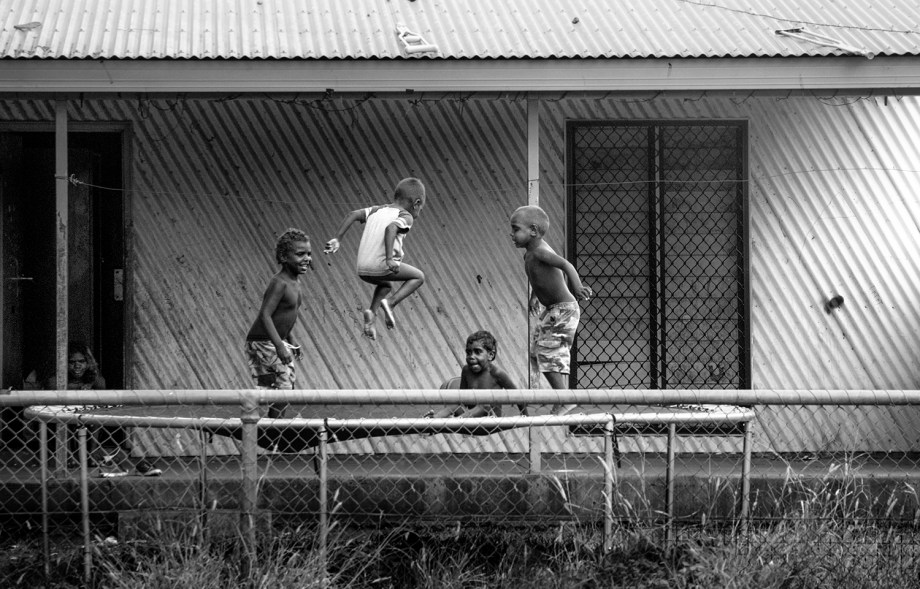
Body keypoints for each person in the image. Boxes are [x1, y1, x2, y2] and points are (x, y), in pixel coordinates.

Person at [510, 205, 593, 415]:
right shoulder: (529, 255)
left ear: (534, 231)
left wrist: (577, 286)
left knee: (549, 352)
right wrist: (533, 297)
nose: (511, 234)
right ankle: (562, 397)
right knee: (539, 352)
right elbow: (539, 279)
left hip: (564, 309)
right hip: (552, 309)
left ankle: (564, 399)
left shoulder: (540, 252)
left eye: (516, 229)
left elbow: (566, 265)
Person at [324, 178, 426, 340]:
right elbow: (391, 228)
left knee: (385, 284)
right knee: (418, 276)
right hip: (382, 266)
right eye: (421, 207)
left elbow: (353, 214)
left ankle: (371, 313)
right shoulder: (405, 215)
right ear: (417, 202)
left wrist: (338, 239)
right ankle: (391, 303)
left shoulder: (377, 209)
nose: (419, 212)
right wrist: (389, 258)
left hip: (362, 268)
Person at [245, 228, 311, 419]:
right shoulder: (279, 282)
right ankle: (275, 427)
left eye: (308, 254)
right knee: (283, 384)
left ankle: (271, 428)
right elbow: (265, 314)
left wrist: (291, 340)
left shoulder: (296, 283)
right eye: (300, 254)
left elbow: (286, 316)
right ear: (284, 257)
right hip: (263, 342)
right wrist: (279, 346)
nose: (306, 258)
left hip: (271, 341)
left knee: (275, 386)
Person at [428, 330, 519, 418]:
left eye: (477, 352)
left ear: (490, 355)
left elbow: (519, 396)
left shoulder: (497, 373)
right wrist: (445, 412)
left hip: (491, 418)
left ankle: (457, 421)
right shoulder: (466, 370)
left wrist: (525, 417)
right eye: (468, 352)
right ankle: (435, 418)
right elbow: (461, 399)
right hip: (471, 417)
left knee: (484, 405)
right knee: (455, 402)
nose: (471, 356)